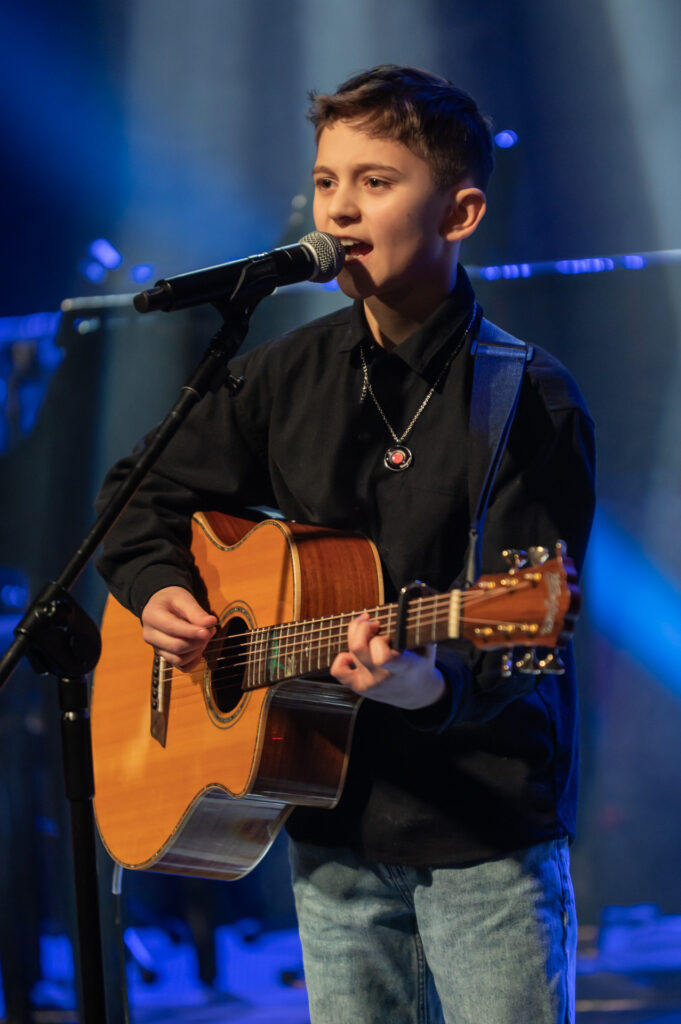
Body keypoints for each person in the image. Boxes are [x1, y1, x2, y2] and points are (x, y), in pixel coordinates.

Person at [96, 65, 595, 1023]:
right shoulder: (285, 373)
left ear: (459, 214)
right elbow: (136, 494)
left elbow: (529, 629)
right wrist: (158, 586)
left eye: (375, 181)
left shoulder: (526, 398)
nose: (339, 207)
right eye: (327, 181)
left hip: (482, 836)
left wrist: (429, 687)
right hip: (328, 824)